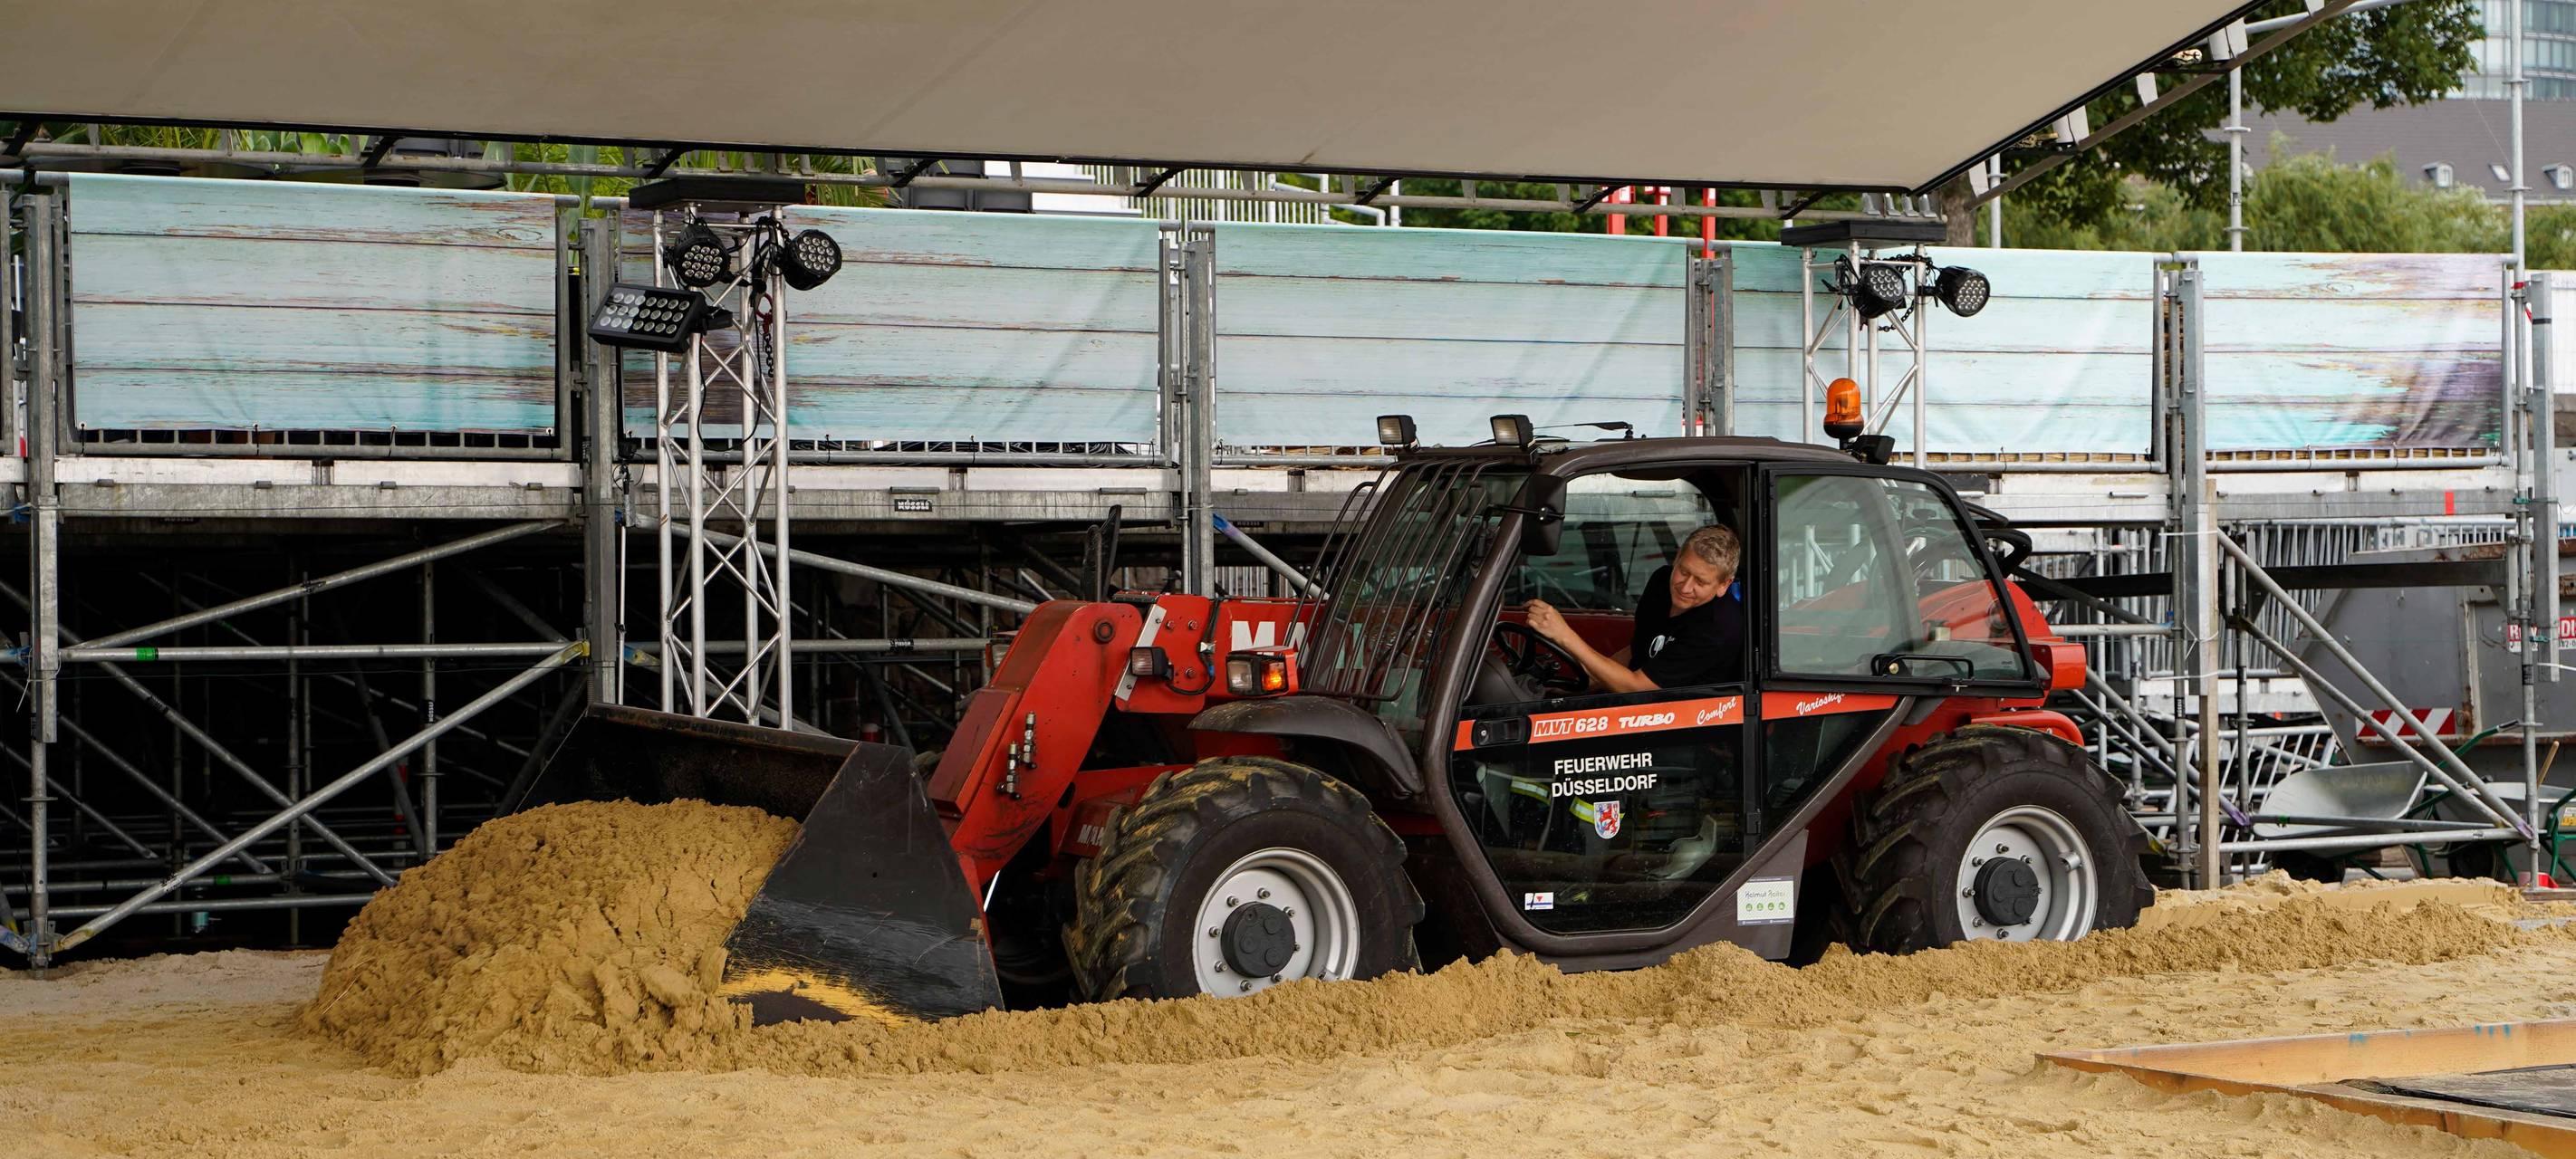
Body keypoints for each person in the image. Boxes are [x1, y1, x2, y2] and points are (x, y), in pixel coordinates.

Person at [1523, 524, 1744, 694]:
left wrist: (1564, 635)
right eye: (1683, 571)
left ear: (1724, 585)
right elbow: (1638, 650)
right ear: (1676, 559)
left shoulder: (1718, 629)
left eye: (1701, 582)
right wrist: (1584, 685)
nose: (1685, 587)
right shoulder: (1661, 583)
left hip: (1685, 730)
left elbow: (1636, 687)